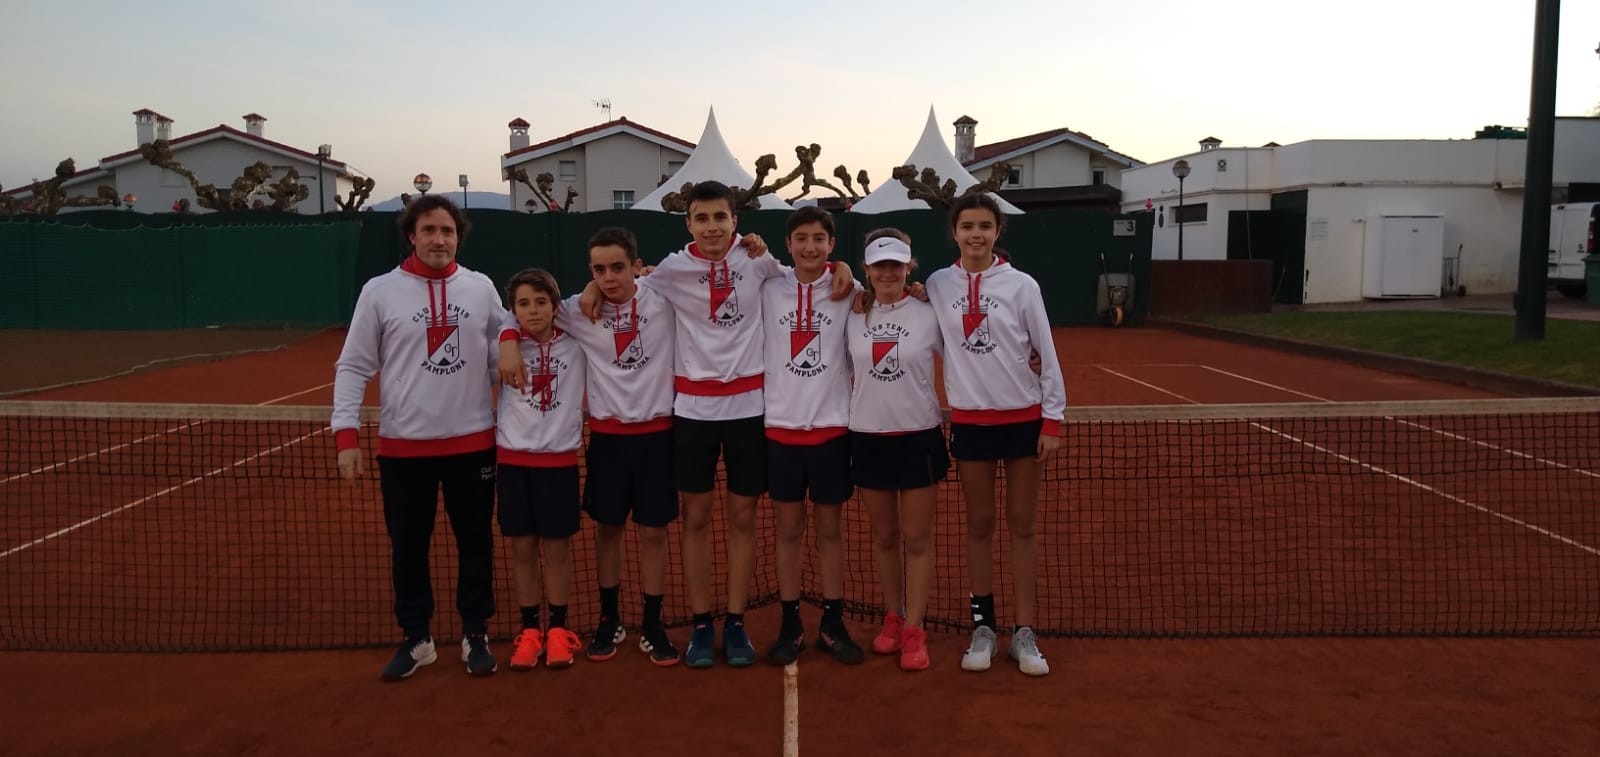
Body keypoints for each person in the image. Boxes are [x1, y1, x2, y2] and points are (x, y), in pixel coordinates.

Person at [579, 181, 853, 668]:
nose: (711, 227)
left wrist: (845, 267)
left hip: (749, 412)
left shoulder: (758, 262)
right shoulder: (670, 270)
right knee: (696, 520)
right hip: (692, 415)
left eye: (720, 218)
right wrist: (590, 287)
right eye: (701, 218)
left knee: (743, 519)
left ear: (735, 221)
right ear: (688, 224)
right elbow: (624, 285)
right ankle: (703, 624)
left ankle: (736, 621)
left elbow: (809, 274)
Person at [332, 195, 503, 681]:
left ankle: (475, 633)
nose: (439, 239)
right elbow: (353, 366)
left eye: (447, 231)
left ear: (458, 237)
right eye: (429, 230)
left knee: (476, 544)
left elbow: (504, 350)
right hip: (404, 449)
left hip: (473, 444)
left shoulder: (481, 288)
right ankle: (416, 638)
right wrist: (346, 436)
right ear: (412, 235)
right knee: (408, 547)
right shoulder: (380, 292)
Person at [503, 228, 682, 666]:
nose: (609, 278)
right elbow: (523, 310)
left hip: (658, 436)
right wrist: (508, 340)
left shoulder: (664, 299)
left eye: (618, 268)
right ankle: (609, 619)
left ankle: (653, 622)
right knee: (608, 530)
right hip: (607, 440)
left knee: (654, 533)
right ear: (590, 271)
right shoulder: (575, 311)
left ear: (636, 267)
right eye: (599, 270)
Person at [925, 193, 1065, 677]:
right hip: (970, 425)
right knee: (979, 524)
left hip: (1023, 422)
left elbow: (1046, 352)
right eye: (967, 226)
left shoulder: (1022, 286)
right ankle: (983, 628)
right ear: (954, 232)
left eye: (985, 226)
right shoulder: (938, 284)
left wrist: (1052, 420)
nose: (976, 235)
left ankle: (1025, 632)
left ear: (997, 232)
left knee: (1022, 525)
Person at [761, 207, 863, 666]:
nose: (809, 247)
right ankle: (790, 622)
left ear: (831, 244)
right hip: (780, 431)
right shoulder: (769, 286)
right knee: (787, 531)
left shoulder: (849, 291)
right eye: (800, 238)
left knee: (829, 532)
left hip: (832, 431)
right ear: (788, 244)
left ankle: (833, 622)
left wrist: (846, 271)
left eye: (819, 239)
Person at [846, 229, 948, 672]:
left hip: (918, 436)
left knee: (918, 539)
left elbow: (966, 354)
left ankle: (915, 629)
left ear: (909, 267)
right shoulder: (851, 312)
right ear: (867, 269)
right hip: (868, 437)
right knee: (885, 537)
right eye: (879, 265)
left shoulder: (930, 311)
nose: (888, 272)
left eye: (896, 265)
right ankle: (893, 615)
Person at [496, 268, 586, 671]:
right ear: (513, 310)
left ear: (555, 305)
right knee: (522, 550)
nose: (532, 311)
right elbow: (496, 322)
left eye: (541, 302)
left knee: (557, 550)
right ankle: (530, 630)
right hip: (514, 464)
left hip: (559, 463)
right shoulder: (502, 349)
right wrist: (507, 337)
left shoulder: (577, 344)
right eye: (523, 304)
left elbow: (592, 304)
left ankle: (558, 630)